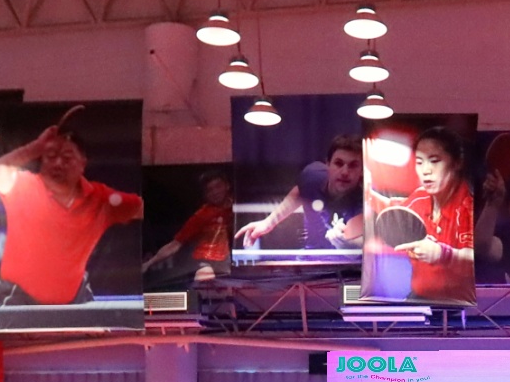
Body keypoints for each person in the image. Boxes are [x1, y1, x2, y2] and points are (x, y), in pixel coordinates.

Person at [0, 110, 141, 307]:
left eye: (67, 157)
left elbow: (140, 208)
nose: (58, 163)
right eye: (50, 156)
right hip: (17, 299)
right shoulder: (23, 185)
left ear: (82, 164)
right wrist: (35, 147)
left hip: (75, 302)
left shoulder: (100, 199)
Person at [379, 125, 474, 303]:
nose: (425, 170)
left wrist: (442, 254)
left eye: (434, 161)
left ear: (457, 162)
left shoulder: (468, 207)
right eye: (419, 162)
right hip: (418, 298)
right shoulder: (420, 197)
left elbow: (474, 259)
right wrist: (368, 194)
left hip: (457, 303)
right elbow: (393, 209)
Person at [237, 134, 365, 252]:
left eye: (353, 165)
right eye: (338, 163)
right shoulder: (312, 176)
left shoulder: (365, 200)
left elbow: (364, 242)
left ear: (362, 171)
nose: (345, 172)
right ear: (328, 165)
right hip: (309, 257)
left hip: (347, 265)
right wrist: (268, 222)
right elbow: (300, 192)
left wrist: (351, 246)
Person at [145, 168, 235, 287]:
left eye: (218, 186)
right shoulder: (202, 215)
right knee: (205, 278)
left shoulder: (236, 208)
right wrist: (149, 263)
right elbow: (175, 244)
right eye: (210, 190)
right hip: (207, 261)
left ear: (227, 186)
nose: (215, 192)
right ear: (205, 195)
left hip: (229, 261)